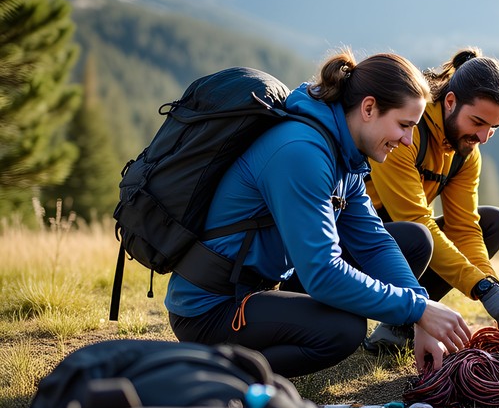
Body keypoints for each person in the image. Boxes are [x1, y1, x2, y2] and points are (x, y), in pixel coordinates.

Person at [165, 50, 472, 377]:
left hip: (259, 288)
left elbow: (374, 243)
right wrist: (419, 309)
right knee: (341, 330)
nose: (408, 140)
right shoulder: (302, 153)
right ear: (368, 108)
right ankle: (214, 373)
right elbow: (322, 273)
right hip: (212, 309)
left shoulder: (344, 152)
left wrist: (420, 316)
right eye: (403, 125)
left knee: (410, 240)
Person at [362, 48, 499, 352]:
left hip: (405, 240)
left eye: (494, 127)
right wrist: (481, 287)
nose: (483, 137)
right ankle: (406, 314)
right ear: (450, 101)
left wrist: (490, 284)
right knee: (419, 236)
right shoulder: (406, 130)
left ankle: (398, 327)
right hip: (360, 243)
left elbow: (465, 227)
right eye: (478, 122)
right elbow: (413, 219)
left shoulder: (465, 153)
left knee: (494, 223)